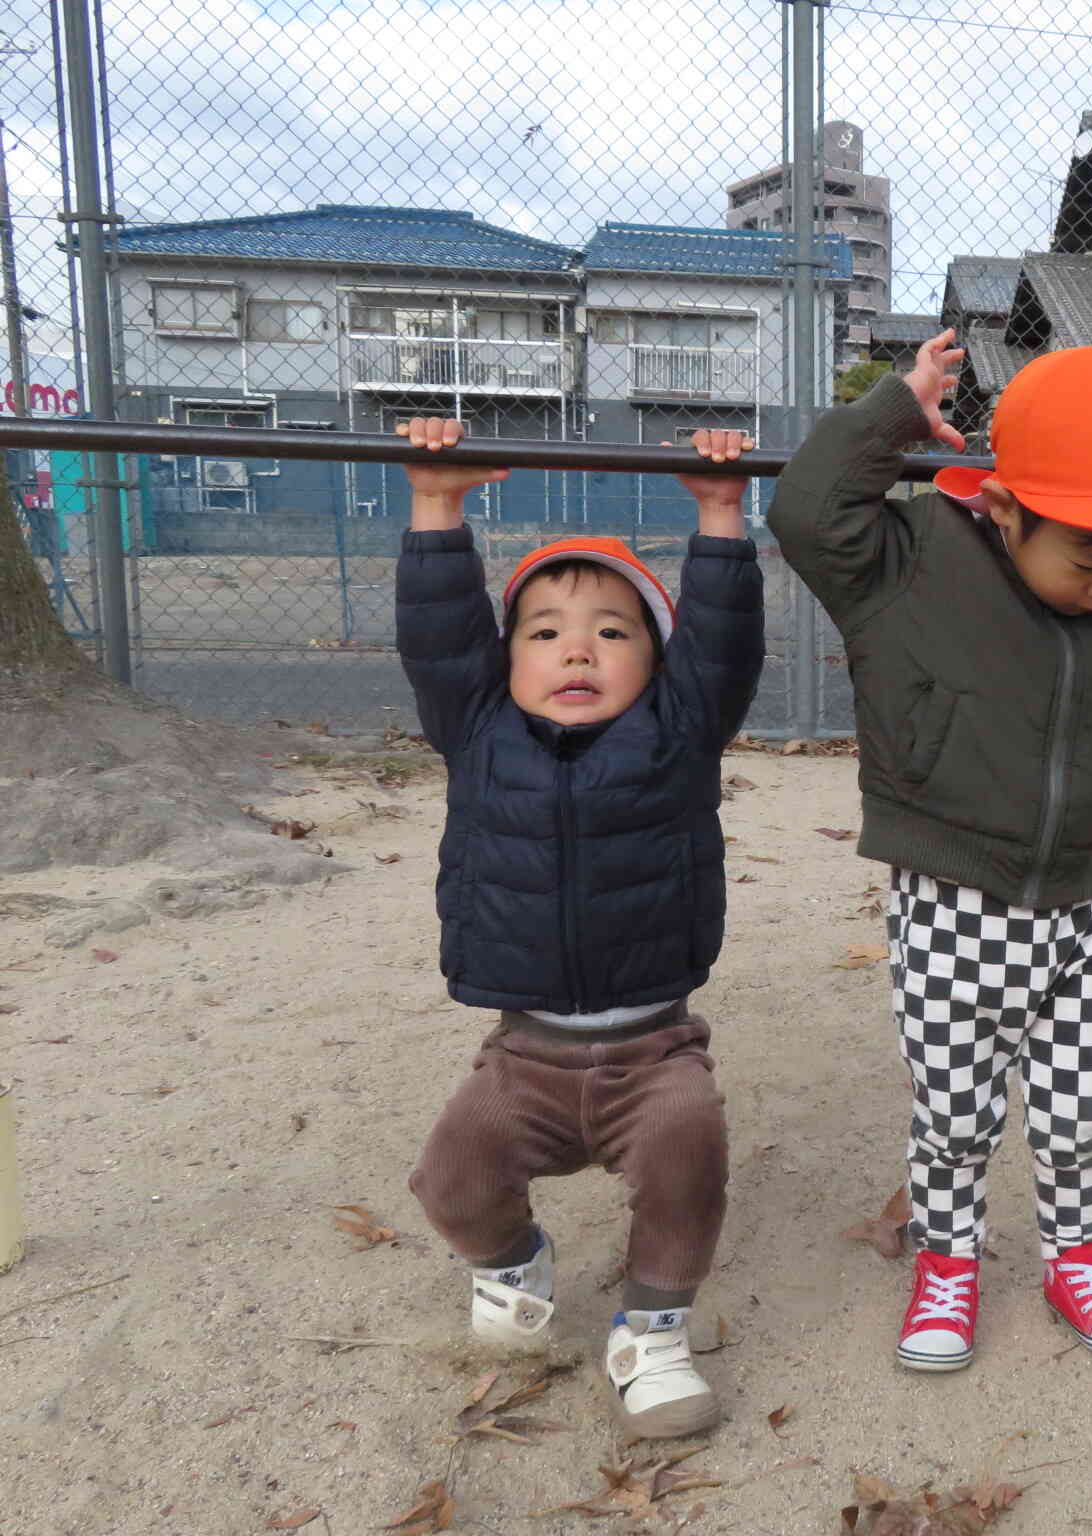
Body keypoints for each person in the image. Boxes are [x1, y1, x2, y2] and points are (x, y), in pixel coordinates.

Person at [768, 331, 1092, 1371]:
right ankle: (948, 1262)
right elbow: (805, 512)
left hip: (1073, 908)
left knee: (1077, 1108)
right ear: (1001, 505)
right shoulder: (906, 569)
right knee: (955, 1109)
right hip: (947, 906)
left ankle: (1078, 1252)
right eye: (1089, 562)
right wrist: (893, 412)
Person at [392, 417, 763, 1438]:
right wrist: (436, 504)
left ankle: (651, 1328)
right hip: (526, 1055)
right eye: (544, 630)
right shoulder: (475, 732)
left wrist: (720, 513)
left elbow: (722, 647)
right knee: (452, 1179)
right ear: (504, 660)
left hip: (654, 1050)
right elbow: (437, 635)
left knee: (688, 1158)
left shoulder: (677, 734)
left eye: (612, 630)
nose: (576, 649)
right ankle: (513, 1267)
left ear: (655, 659)